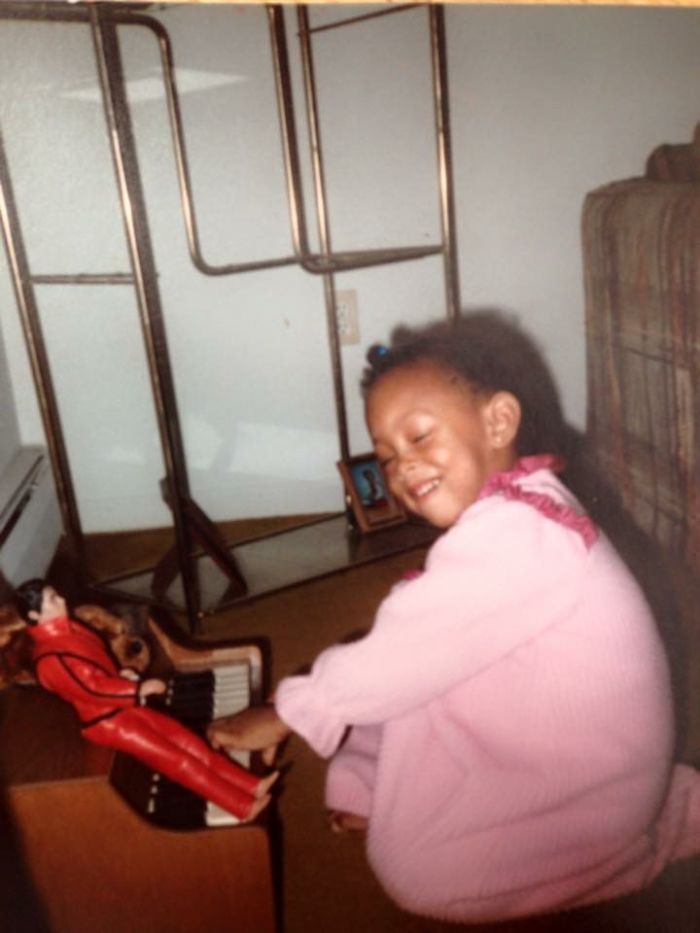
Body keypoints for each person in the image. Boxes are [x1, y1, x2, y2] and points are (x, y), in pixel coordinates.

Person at [208, 311, 700, 923]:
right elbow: (409, 649)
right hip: (553, 727)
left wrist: (284, 714)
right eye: (385, 455)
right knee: (387, 665)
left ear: (498, 421)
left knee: (419, 873)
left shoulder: (519, 536)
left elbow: (401, 656)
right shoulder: (523, 503)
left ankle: (628, 852)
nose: (401, 467)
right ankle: (381, 786)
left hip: (591, 784)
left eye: (419, 437)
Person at [14, 579, 277, 823]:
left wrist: (121, 674)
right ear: (34, 616)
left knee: (189, 742)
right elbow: (91, 688)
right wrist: (137, 689)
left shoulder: (72, 629)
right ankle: (241, 806)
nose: (61, 600)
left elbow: (98, 667)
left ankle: (250, 784)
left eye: (56, 594)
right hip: (108, 722)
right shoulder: (50, 660)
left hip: (123, 705)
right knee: (177, 760)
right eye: (51, 600)